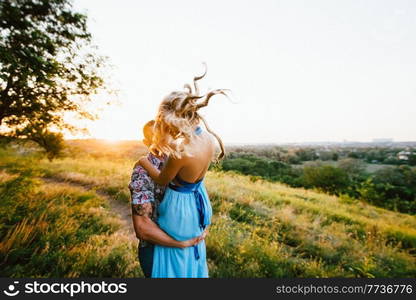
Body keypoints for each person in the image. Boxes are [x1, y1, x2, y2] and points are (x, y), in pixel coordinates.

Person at [138, 67, 227, 278]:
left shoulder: (182, 150)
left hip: (180, 208)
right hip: (199, 199)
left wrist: (142, 161)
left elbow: (161, 179)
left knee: (172, 256)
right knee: (190, 258)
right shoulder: (206, 138)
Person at [129, 120, 206, 278]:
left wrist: (202, 229)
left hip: (192, 249)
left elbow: (198, 200)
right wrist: (181, 244)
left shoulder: (185, 162)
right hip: (158, 251)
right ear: (146, 142)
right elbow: (142, 228)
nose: (165, 140)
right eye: (156, 136)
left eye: (167, 133)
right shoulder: (142, 172)